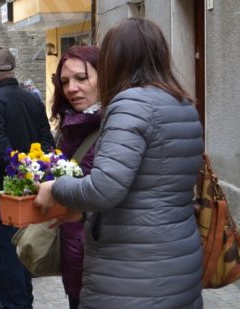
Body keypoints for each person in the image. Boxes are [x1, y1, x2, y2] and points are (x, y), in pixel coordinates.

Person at [35, 18, 205, 308]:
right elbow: (149, 187)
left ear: (115, 60)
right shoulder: (181, 104)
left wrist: (55, 188)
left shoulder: (130, 104)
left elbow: (104, 189)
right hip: (177, 262)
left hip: (132, 273)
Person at [0, 47, 55, 309]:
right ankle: (22, 300)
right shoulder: (33, 99)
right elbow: (47, 141)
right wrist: (34, 170)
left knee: (6, 247)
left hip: (2, 186)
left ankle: (15, 304)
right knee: (23, 242)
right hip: (31, 184)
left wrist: (19, 170)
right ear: (14, 69)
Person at [48, 45, 101, 309]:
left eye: (82, 78)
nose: (71, 88)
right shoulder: (71, 125)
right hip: (74, 248)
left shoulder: (117, 125)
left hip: (105, 258)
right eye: (65, 81)